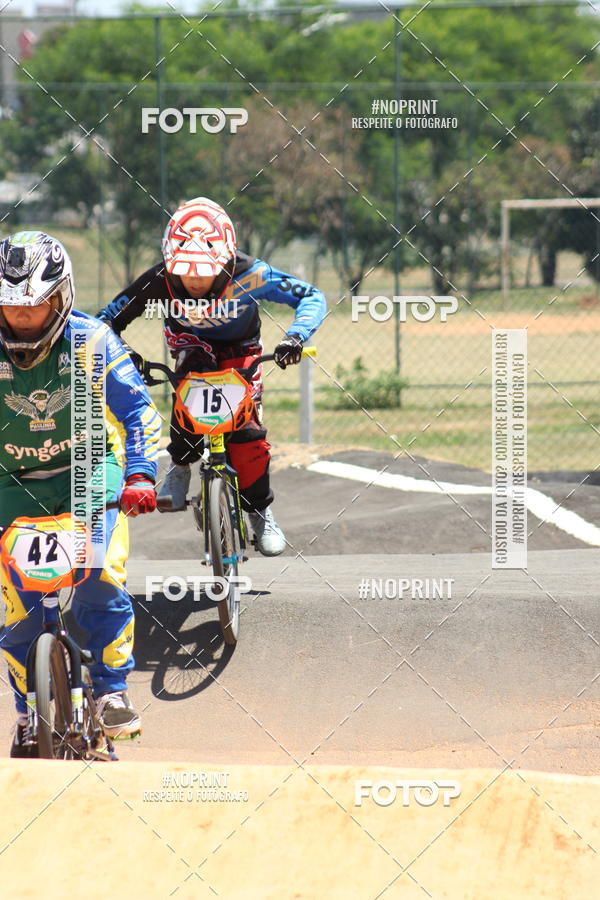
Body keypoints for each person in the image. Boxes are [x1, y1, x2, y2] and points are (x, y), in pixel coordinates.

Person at [0, 230, 160, 756]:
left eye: (36, 307)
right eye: (10, 308)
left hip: (88, 473)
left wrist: (139, 475)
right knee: (18, 607)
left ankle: (112, 693)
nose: (22, 319)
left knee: (95, 577)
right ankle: (27, 712)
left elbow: (138, 413)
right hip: (10, 483)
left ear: (61, 297)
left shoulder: (94, 341)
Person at [97, 197, 326, 556]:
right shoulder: (159, 279)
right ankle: (180, 464)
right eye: (185, 269)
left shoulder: (253, 272)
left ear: (225, 259)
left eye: (204, 269)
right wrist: (123, 354)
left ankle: (260, 511)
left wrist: (295, 336)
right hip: (191, 351)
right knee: (188, 386)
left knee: (247, 437)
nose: (195, 278)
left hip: (241, 353)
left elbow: (311, 296)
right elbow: (105, 321)